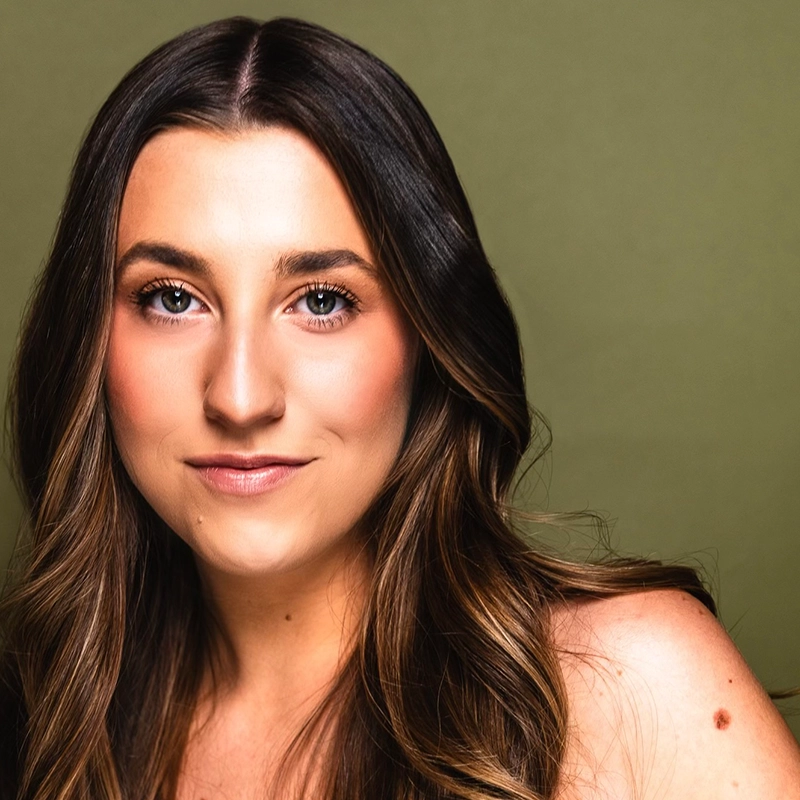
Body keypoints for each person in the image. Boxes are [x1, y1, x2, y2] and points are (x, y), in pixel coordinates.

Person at [0, 16, 798, 800]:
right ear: (86, 342)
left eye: (320, 301)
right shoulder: (33, 722)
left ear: (426, 336)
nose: (240, 397)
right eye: (172, 298)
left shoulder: (629, 689)